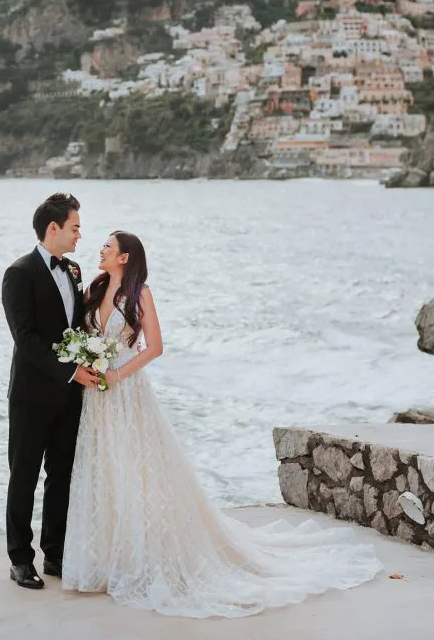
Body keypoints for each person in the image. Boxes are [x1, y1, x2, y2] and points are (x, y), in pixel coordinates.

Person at [62, 230, 383, 618]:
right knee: (105, 470)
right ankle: (107, 556)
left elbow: (155, 347)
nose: (101, 250)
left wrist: (118, 374)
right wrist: (88, 366)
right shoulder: (93, 290)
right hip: (97, 396)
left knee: (139, 471)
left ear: (125, 257)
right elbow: (80, 335)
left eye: (107, 247)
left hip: (127, 392)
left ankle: (143, 556)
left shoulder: (140, 294)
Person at [1, 192, 99, 590]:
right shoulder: (18, 273)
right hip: (31, 395)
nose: (80, 234)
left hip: (69, 396)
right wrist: (71, 371)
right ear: (53, 228)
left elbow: (77, 327)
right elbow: (25, 340)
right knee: (23, 474)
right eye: (75, 227)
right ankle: (20, 559)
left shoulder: (73, 270)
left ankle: (55, 553)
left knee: (61, 475)